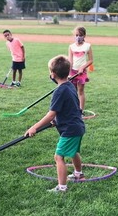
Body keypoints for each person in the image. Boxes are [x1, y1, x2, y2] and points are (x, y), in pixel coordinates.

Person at [24, 55, 85, 192]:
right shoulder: (70, 85)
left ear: (53, 74)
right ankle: (78, 174)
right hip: (77, 126)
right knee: (73, 151)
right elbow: (68, 107)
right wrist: (57, 121)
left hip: (70, 129)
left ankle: (62, 187)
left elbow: (51, 113)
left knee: (59, 156)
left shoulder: (59, 91)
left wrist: (34, 127)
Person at [68, 26, 93, 112]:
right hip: (73, 72)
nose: (78, 37)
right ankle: (74, 108)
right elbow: (70, 61)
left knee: (80, 91)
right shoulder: (71, 46)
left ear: (84, 36)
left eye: (80, 35)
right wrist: (68, 72)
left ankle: (80, 110)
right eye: (76, 35)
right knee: (73, 91)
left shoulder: (87, 46)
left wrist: (82, 67)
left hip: (82, 72)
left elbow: (90, 60)